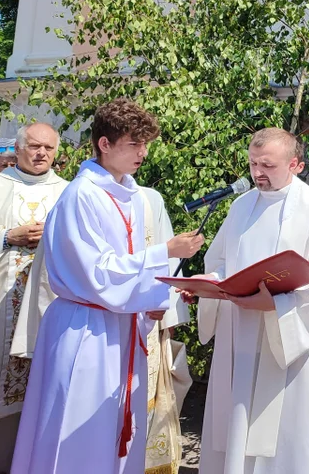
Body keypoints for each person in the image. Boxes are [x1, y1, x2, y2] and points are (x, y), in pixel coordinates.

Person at [10, 99, 204, 474]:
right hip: (85, 330)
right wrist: (164, 251)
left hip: (120, 325)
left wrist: (160, 292)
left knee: (114, 431)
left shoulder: (127, 193)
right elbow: (97, 272)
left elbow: (125, 266)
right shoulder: (81, 195)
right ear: (104, 144)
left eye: (145, 144)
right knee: (77, 433)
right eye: (134, 144)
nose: (143, 153)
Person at [188, 127, 309, 474]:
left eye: (268, 165)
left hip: (285, 341)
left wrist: (276, 305)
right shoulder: (241, 206)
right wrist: (208, 283)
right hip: (239, 332)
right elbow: (221, 264)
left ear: (295, 165)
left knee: (284, 436)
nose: (258, 173)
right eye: (253, 163)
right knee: (236, 426)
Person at [0, 123, 68, 473]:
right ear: (17, 149)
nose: (41, 154)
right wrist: (8, 236)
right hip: (0, 302)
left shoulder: (70, 193)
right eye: (34, 146)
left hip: (50, 309)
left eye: (48, 148)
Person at [140, 185, 192, 474]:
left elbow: (169, 263)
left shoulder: (150, 198)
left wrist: (169, 319)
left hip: (148, 322)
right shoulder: (82, 194)